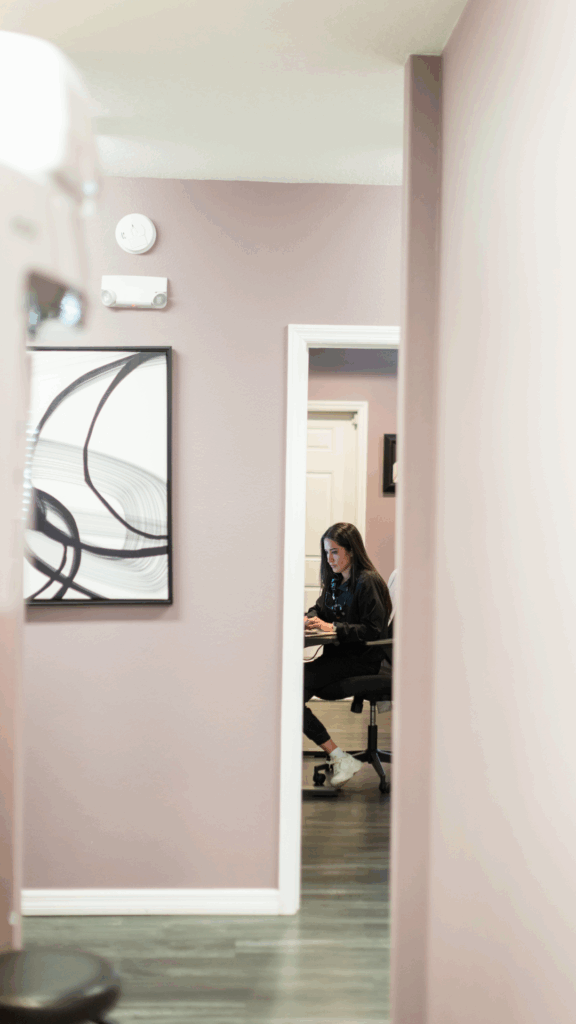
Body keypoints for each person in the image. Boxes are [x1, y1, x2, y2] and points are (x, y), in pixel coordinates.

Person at [304, 522, 392, 788]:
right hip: (340, 657)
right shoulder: (335, 581)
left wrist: (332, 627)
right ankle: (338, 756)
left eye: (335, 552)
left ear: (351, 551)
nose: (329, 559)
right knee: (291, 690)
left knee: (290, 691)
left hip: (362, 659)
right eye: (326, 552)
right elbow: (319, 609)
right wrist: (310, 618)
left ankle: (339, 757)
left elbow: (373, 630)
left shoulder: (367, 581)